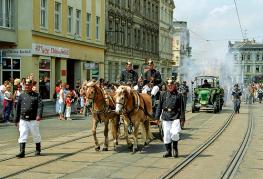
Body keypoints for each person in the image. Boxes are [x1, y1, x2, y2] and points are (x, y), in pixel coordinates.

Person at [15, 79, 43, 158]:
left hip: (33, 119)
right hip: (23, 118)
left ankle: (38, 149)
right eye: (26, 85)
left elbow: (40, 106)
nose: (27, 87)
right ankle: (22, 152)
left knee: (35, 134)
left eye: (28, 85)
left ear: (31, 86)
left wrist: (39, 115)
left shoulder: (37, 95)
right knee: (22, 134)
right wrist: (16, 120)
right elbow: (18, 108)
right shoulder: (21, 95)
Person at [155, 79, 182, 158]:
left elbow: (182, 107)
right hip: (166, 116)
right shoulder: (163, 94)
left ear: (174, 86)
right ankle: (168, 151)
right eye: (168, 85)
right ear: (166, 86)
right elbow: (159, 107)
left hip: (175, 116)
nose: (170, 86)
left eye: (171, 85)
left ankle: (175, 149)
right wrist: (157, 117)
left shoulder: (178, 95)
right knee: (166, 135)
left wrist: (182, 118)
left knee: (175, 133)